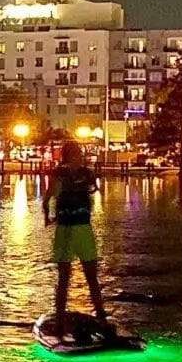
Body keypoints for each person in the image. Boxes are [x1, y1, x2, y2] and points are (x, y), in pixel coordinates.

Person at [45, 140, 110, 338]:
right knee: (91, 277)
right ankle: (101, 317)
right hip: (82, 227)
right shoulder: (85, 173)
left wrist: (47, 217)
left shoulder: (59, 174)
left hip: (67, 228)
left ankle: (59, 321)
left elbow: (48, 197)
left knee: (65, 277)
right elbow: (94, 190)